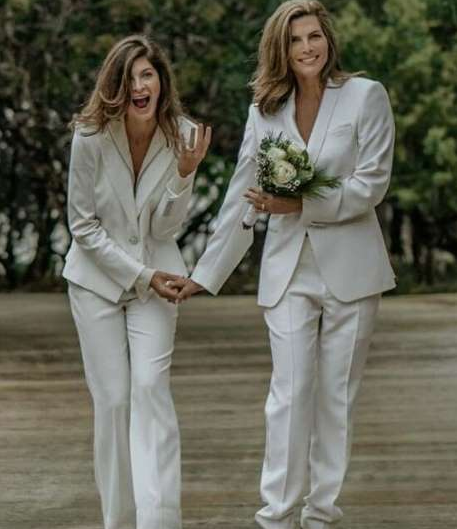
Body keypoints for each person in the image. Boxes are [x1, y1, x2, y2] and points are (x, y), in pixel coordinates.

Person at [172, 2, 395, 528]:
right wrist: (205, 274)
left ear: (328, 40)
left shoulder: (366, 95)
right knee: (289, 394)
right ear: (281, 48)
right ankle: (275, 515)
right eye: (295, 40)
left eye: (314, 36)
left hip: (352, 269)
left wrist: (300, 204)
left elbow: (372, 183)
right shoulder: (264, 110)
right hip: (288, 270)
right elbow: (241, 196)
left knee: (336, 397)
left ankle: (321, 514)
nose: (307, 47)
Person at [62, 35, 211, 529]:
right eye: (128, 79)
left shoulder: (182, 134)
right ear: (114, 87)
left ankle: (160, 520)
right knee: (114, 402)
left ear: (161, 81)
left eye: (147, 75)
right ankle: (120, 521)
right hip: (97, 283)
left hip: (158, 275)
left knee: (150, 388)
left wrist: (184, 175)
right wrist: (141, 276)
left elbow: (165, 229)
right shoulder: (89, 136)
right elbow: (83, 227)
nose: (139, 86)